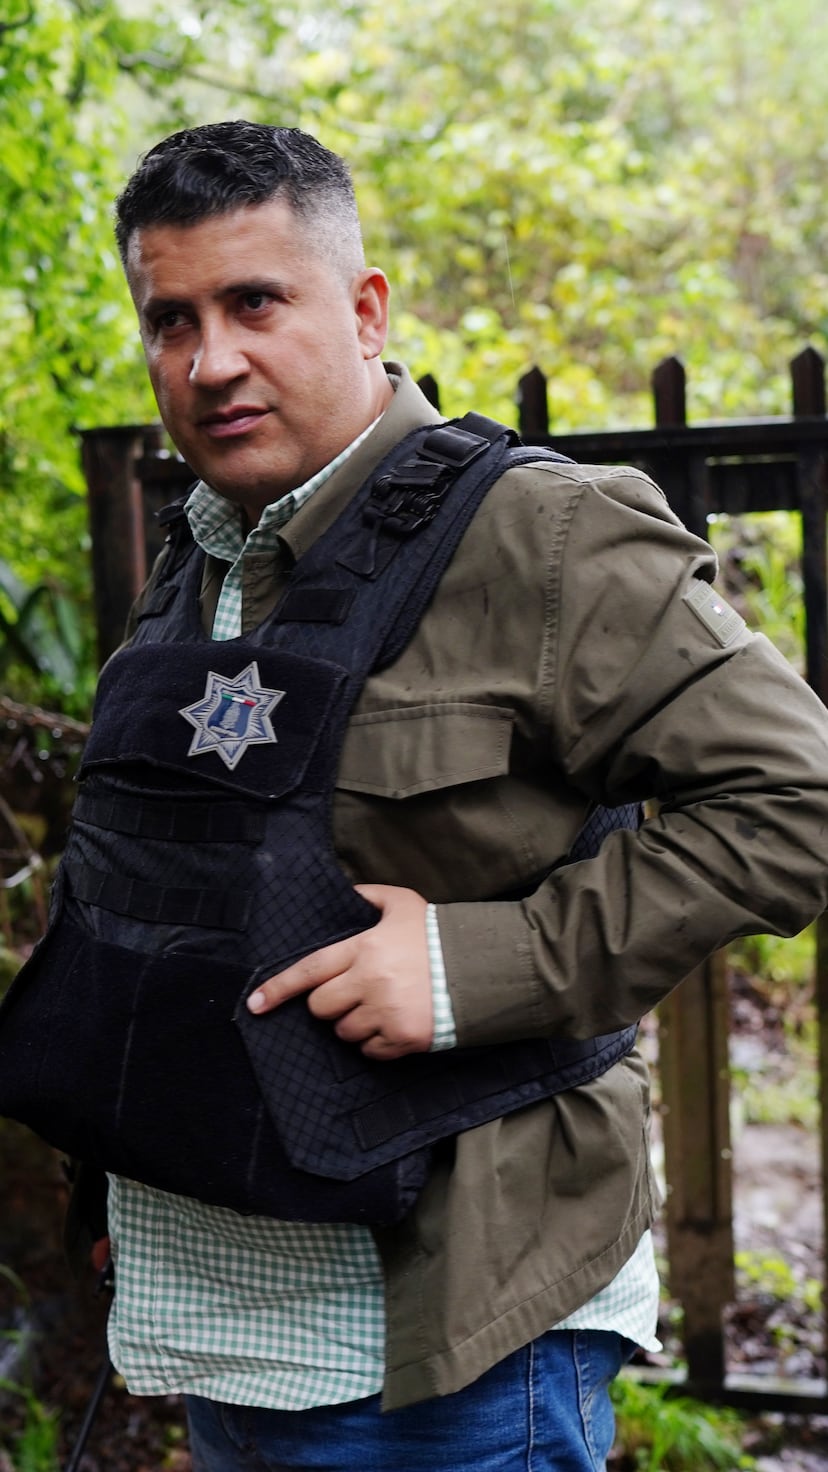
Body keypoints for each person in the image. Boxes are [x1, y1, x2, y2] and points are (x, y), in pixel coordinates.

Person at [16, 121, 828, 1470]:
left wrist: (469, 968)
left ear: (365, 309)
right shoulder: (199, 557)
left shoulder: (544, 535)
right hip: (214, 1333)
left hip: (447, 1362)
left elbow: (797, 804)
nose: (210, 362)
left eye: (255, 302)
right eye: (172, 320)